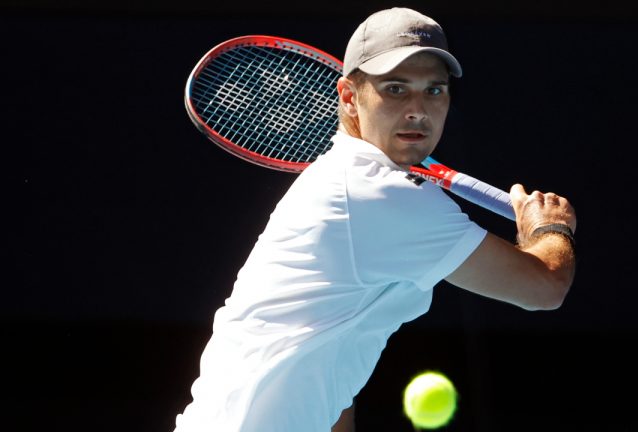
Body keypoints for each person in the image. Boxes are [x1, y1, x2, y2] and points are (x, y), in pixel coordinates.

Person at [173, 7, 576, 432]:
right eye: (396, 89)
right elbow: (544, 286)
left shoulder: (353, 183)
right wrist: (550, 228)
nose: (418, 109)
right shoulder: (375, 191)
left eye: (434, 91)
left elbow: (334, 369)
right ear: (349, 97)